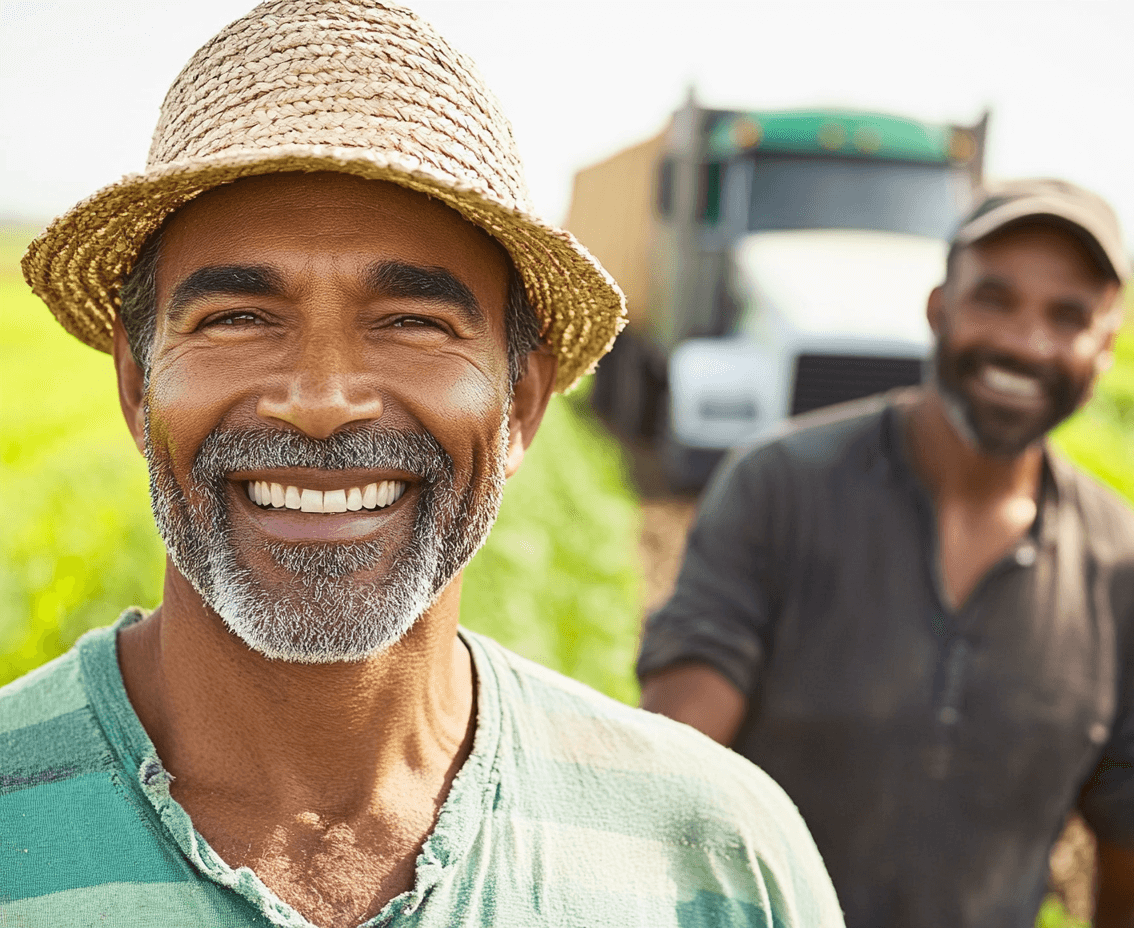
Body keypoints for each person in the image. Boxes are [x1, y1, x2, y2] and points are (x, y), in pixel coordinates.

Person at [0, 3, 844, 926]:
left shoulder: (716, 860)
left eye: (414, 321)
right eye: (238, 316)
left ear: (520, 402)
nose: (321, 401)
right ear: (136, 383)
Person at [638, 179, 1134, 928]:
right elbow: (672, 775)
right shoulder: (779, 491)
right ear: (940, 308)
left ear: (1105, 347)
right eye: (995, 299)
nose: (1024, 342)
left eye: (1067, 316)